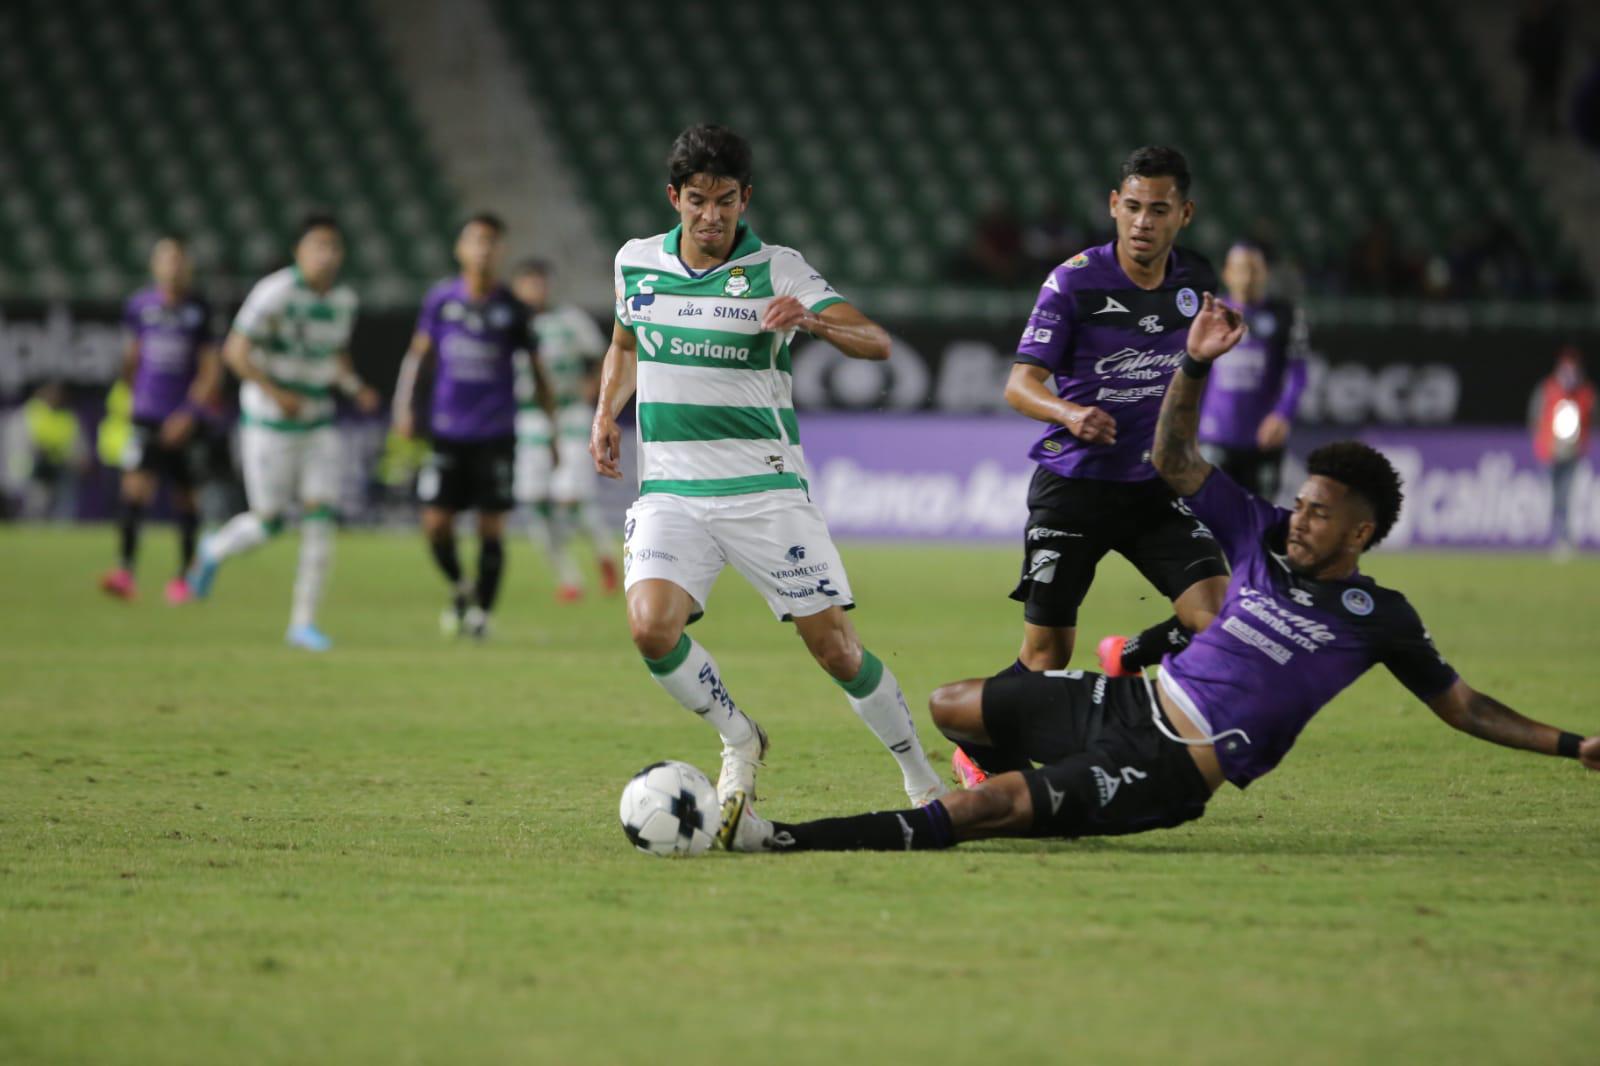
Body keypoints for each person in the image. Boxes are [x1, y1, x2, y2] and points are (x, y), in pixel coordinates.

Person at [718, 293, 1600, 853]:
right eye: (1302, 502)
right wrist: (1191, 364)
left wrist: (1575, 745)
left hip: (1174, 765)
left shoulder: (1379, 615)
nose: (1301, 515)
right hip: (1127, 704)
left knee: (986, 813)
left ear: (1361, 532)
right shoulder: (1260, 533)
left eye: (1321, 511)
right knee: (955, 702)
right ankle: (1055, 795)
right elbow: (1174, 457)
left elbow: (1464, 706)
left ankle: (783, 839)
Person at [590, 124, 946, 808]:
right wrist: (606, 411)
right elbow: (625, 345)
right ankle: (738, 736)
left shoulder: (779, 269)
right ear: (675, 198)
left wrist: (811, 322)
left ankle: (923, 781)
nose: (712, 215)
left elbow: (875, 343)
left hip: (764, 489)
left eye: (726, 199)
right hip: (672, 489)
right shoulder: (634, 262)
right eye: (698, 199)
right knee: (649, 626)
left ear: (745, 198)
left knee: (837, 650)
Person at [991, 145, 1229, 786]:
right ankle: (979, 740)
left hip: (1153, 488)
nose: (1143, 222)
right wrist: (1068, 414)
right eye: (1132, 207)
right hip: (1074, 487)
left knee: (1220, 615)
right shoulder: (1074, 281)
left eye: (1159, 209)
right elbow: (1019, 385)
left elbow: (1185, 379)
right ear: (1113, 207)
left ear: (1185, 213)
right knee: (1046, 655)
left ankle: (1131, 655)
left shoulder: (1192, 287)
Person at [187, 213, 379, 651]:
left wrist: (355, 388)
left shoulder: (344, 301)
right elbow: (235, 352)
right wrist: (274, 393)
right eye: (317, 247)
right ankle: (213, 550)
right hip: (269, 423)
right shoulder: (274, 293)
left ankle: (303, 623)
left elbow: (335, 355)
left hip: (316, 421)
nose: (325, 256)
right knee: (269, 521)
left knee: (320, 517)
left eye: (332, 247)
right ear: (300, 252)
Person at [392, 214, 554, 639]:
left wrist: (551, 428)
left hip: (496, 433)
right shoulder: (440, 300)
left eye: (491, 243)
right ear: (460, 249)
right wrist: (405, 409)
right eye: (476, 241)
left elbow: (538, 372)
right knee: (436, 524)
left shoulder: (511, 308)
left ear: (500, 253)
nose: (483, 249)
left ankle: (482, 612)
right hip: (447, 430)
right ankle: (461, 587)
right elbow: (418, 357)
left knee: (490, 527)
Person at [99, 235, 221, 604]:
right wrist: (131, 396)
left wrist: (189, 413)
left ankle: (185, 578)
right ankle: (125, 571)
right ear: (155, 265)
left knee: (186, 498)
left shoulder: (200, 309)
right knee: (134, 489)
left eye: (179, 259)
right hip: (146, 415)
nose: (173, 266)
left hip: (185, 417)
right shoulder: (139, 306)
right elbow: (132, 357)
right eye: (166, 258)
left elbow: (211, 368)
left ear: (188, 266)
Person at [509, 259, 620, 602]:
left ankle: (605, 555)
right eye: (528, 283)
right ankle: (569, 578)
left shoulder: (570, 321)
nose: (534, 290)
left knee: (571, 497)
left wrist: (593, 396)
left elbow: (600, 359)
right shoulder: (509, 323)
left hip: (569, 413)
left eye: (539, 282)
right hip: (529, 418)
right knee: (534, 502)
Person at [1191, 242, 1307, 501]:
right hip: (1214, 435)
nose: (1248, 277)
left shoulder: (1285, 316)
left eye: (1255, 270)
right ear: (1227, 274)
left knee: (1258, 523)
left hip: (1262, 440)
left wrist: (1282, 415)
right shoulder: (1210, 316)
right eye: (1242, 269)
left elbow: (1298, 374)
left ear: (1265, 273)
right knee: (1214, 519)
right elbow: (1193, 371)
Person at [1528, 345, 1594, 559]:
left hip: (1572, 454)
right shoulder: (1548, 388)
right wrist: (1541, 443)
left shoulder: (1585, 393)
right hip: (1550, 452)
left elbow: (1590, 419)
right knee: (1554, 497)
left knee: (1566, 496)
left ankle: (1565, 538)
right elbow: (1536, 417)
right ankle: (1555, 536)